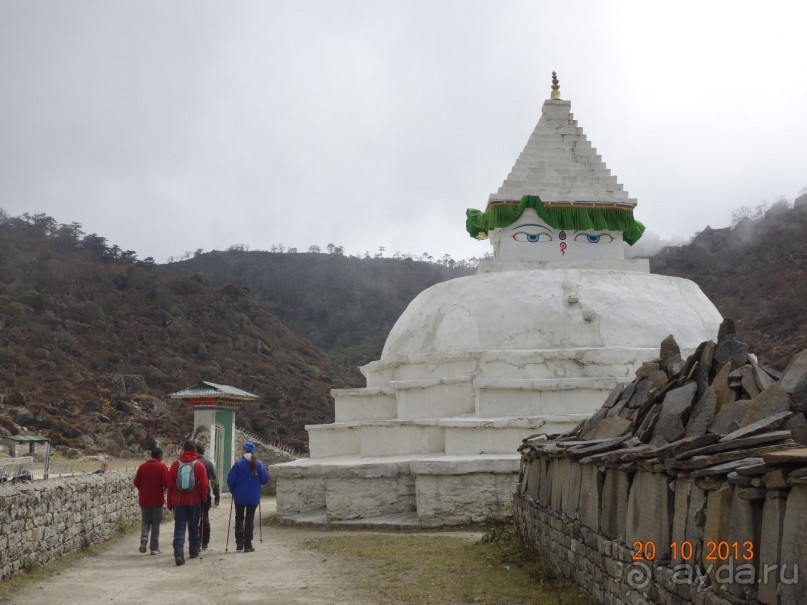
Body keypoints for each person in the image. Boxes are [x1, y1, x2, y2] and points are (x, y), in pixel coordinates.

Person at [166, 440, 209, 566]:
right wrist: (203, 498)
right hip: (194, 501)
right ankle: (193, 550)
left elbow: (170, 486)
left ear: (183, 449)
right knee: (193, 526)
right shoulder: (199, 465)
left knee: (179, 527)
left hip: (178, 502)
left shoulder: (175, 465)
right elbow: (204, 485)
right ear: (195, 450)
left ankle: (179, 553)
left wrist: (170, 503)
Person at [226, 442, 269, 552]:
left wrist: (233, 490)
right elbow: (264, 479)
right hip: (253, 496)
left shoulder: (238, 464)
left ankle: (239, 542)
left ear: (244, 450)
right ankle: (248, 545)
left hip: (239, 496)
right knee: (249, 519)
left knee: (239, 518)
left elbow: (230, 480)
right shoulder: (258, 464)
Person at [133, 447, 170, 555]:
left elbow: (136, 482)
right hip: (157, 500)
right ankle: (154, 548)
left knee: (145, 521)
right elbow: (166, 483)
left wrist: (143, 489)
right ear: (160, 456)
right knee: (155, 524)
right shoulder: (162, 467)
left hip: (144, 499)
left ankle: (144, 538)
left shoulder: (142, 467)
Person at [195, 443, 220, 550]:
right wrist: (217, 495)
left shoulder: (189, 463)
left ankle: (195, 540)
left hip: (191, 495)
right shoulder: (208, 464)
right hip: (204, 494)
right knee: (204, 517)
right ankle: (204, 541)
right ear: (203, 452)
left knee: (193, 518)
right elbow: (214, 481)